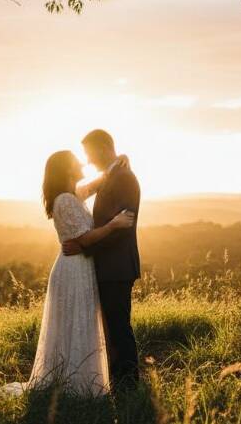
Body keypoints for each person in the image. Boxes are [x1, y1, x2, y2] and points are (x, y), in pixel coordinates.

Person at [1, 150, 134, 397]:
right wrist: (114, 224)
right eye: (76, 161)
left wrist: (118, 161)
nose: (82, 163)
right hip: (73, 269)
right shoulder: (64, 200)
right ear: (66, 169)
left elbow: (97, 184)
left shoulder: (73, 195)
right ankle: (75, 385)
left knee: (80, 321)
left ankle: (79, 378)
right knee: (76, 321)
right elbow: (84, 238)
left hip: (81, 266)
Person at [62, 129, 141, 390]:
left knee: (119, 327)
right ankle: (117, 381)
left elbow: (123, 227)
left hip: (117, 266)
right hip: (108, 266)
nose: (88, 160)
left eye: (89, 153)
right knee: (112, 327)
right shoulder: (113, 175)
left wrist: (86, 248)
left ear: (104, 148)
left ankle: (128, 386)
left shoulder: (125, 178)